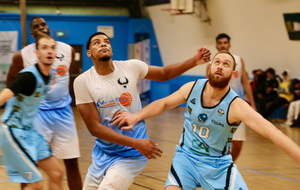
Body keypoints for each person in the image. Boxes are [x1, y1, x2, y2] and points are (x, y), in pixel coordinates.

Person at [112, 51, 300, 190]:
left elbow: (270, 130)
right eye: (217, 62)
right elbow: (164, 104)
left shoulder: (236, 105)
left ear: (233, 74)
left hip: (217, 166)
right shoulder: (192, 88)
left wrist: (295, 152)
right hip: (185, 159)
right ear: (210, 68)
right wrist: (135, 115)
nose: (220, 65)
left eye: (226, 64)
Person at [73, 31, 211, 190]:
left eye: (106, 41)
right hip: (104, 153)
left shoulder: (131, 66)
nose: (103, 44)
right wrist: (136, 143)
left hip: (132, 155)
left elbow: (164, 73)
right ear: (88, 53)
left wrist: (194, 61)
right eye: (97, 42)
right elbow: (94, 128)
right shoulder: (83, 82)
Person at [6, 16, 82, 190]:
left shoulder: (67, 50)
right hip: (37, 114)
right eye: (36, 26)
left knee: (71, 163)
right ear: (31, 33)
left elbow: (65, 79)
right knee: (30, 164)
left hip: (63, 113)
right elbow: (11, 80)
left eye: (43, 24)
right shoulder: (22, 55)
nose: (41, 27)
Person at [0, 35, 64, 190]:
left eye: (52, 47)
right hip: (13, 131)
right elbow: (3, 97)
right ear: (37, 53)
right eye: (44, 47)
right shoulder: (29, 76)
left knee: (56, 173)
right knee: (36, 185)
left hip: (30, 131)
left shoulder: (49, 75)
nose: (49, 51)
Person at [207, 33, 256, 162]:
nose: (223, 45)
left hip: (237, 105)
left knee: (238, 143)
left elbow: (245, 81)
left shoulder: (239, 60)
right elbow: (208, 86)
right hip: (219, 106)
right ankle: (217, 165)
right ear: (217, 45)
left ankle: (227, 165)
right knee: (219, 142)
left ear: (229, 45)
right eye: (220, 43)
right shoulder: (212, 63)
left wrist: (252, 103)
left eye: (225, 42)